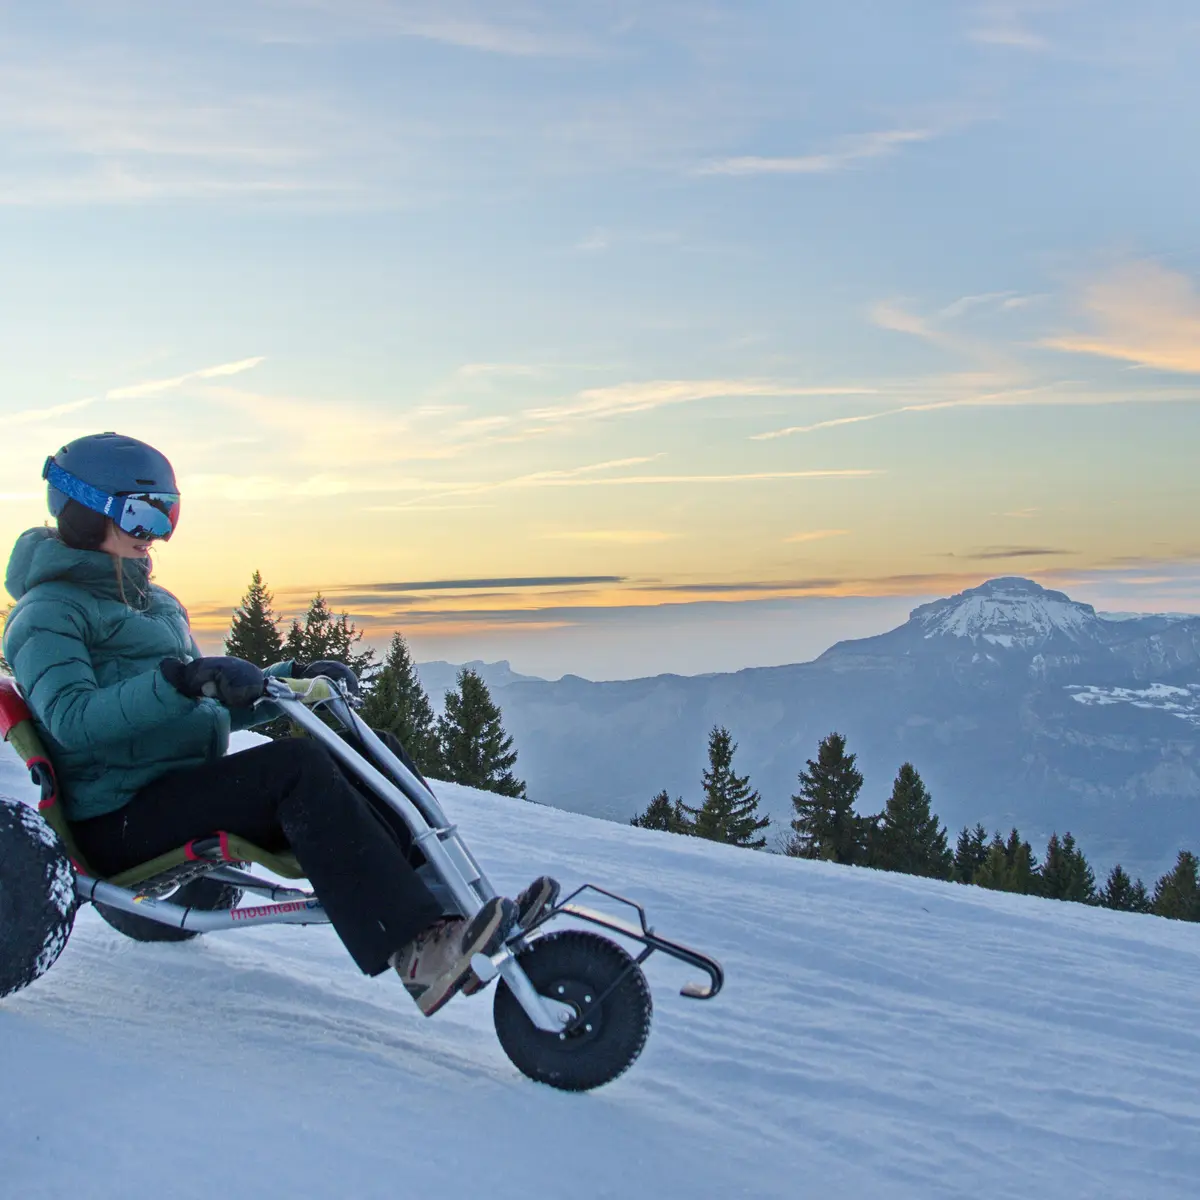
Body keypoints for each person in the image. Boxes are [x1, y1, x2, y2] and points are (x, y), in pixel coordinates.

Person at [2, 432, 558, 1017]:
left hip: (179, 790)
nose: (158, 535)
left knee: (369, 752)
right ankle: (417, 952)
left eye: (170, 515)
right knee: (294, 768)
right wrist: (178, 681)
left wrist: (287, 681)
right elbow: (72, 720)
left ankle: (452, 917)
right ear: (86, 514)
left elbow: (203, 704)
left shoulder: (157, 604)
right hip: (115, 818)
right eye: (142, 516)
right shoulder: (46, 613)